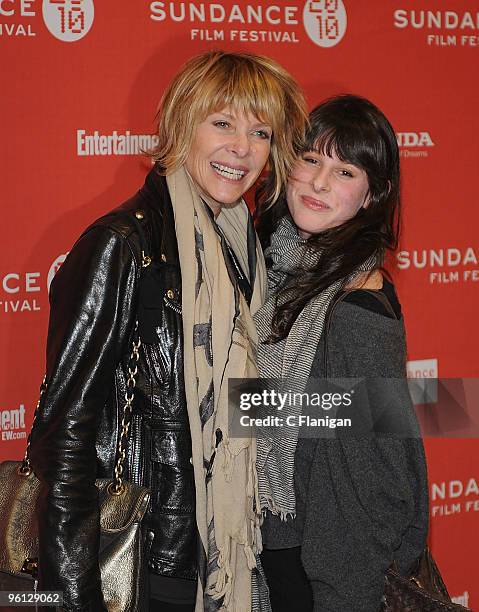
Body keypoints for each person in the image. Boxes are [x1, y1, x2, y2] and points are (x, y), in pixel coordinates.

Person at [29, 51, 307, 612]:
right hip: (151, 552)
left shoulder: (242, 250)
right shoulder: (122, 246)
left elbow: (246, 408)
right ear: (182, 122)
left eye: (260, 132)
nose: (243, 148)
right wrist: (72, 596)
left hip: (223, 552)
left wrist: (420, 407)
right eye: (223, 123)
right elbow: (64, 440)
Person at [253, 95, 429, 612]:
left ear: (374, 194)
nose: (319, 182)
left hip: (321, 568)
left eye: (345, 170)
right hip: (276, 544)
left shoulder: (356, 310)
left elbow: (378, 475)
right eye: (311, 159)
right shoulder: (281, 273)